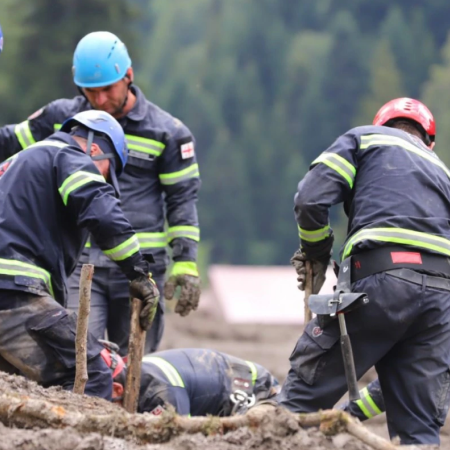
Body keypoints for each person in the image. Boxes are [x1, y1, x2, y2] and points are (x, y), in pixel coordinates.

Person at [0, 31, 201, 355]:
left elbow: (182, 200)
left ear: (128, 77)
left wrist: (186, 262)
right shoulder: (62, 120)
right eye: (91, 92)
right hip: (80, 264)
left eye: (108, 89)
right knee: (79, 353)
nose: (101, 100)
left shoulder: (169, 133)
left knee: (137, 361)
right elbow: (9, 143)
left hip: (141, 264)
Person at [278, 98, 450, 445]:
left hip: (380, 281)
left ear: (380, 125)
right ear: (428, 142)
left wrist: (316, 252)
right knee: (418, 433)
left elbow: (309, 200)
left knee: (295, 407)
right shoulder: (443, 172)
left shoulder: (365, 139)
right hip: (441, 302)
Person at [0, 110, 159, 400]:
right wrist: (139, 272)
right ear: (95, 148)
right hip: (13, 290)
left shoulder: (13, 163)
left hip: (10, 289)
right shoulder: (69, 156)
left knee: (16, 384)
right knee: (90, 373)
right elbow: (104, 215)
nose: (104, 182)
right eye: (107, 174)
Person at [100, 343, 280, 416]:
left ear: (117, 389)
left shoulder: (161, 393)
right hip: (227, 381)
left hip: (256, 389)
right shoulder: (136, 373)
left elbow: (180, 438)